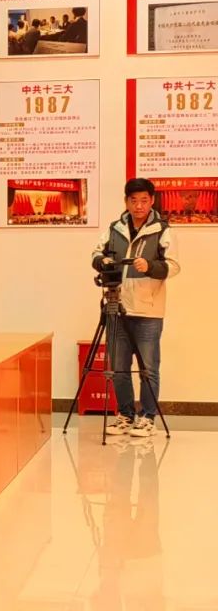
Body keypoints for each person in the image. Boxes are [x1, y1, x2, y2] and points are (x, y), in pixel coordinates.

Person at [91, 178, 180, 437]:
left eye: (143, 200)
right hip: (117, 307)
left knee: (148, 369)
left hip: (148, 310)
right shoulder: (115, 228)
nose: (138, 205)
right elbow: (95, 253)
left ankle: (147, 418)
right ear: (126, 201)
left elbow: (174, 266)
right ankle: (125, 415)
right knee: (119, 368)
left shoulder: (162, 230)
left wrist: (150, 266)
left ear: (152, 201)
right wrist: (102, 262)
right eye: (133, 200)